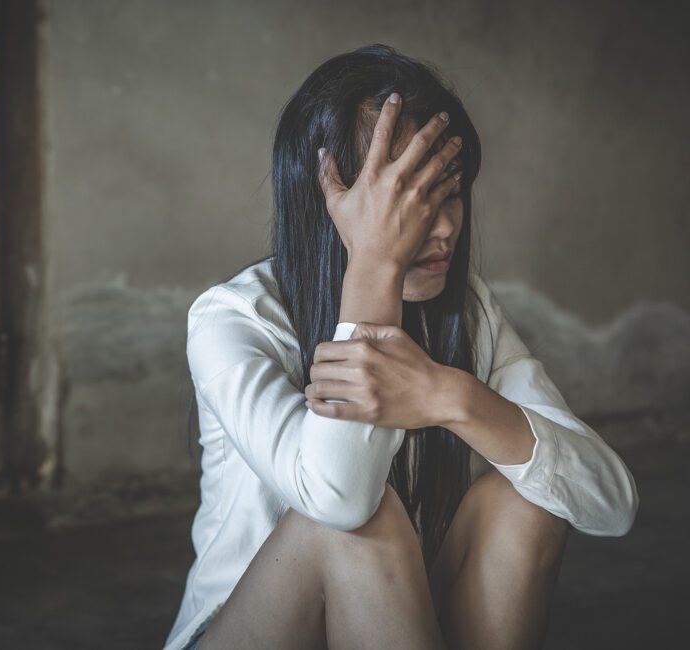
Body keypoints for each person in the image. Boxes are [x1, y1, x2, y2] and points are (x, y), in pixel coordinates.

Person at [163, 44, 639, 650]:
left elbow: (611, 503)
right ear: (329, 203)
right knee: (363, 520)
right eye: (407, 206)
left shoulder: (465, 311)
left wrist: (451, 396)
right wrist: (375, 266)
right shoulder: (233, 318)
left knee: (528, 498)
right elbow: (338, 499)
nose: (442, 229)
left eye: (451, 194)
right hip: (254, 630)